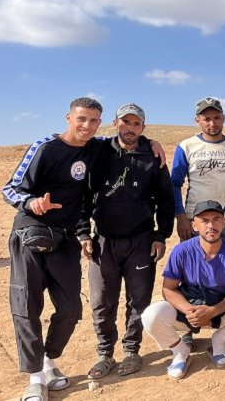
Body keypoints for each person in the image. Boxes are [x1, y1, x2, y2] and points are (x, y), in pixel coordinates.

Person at [3, 97, 105, 401]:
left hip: (65, 237)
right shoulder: (46, 147)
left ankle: (48, 360)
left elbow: (122, 140)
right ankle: (35, 378)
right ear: (69, 118)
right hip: (31, 233)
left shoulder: (95, 147)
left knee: (71, 308)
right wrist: (32, 203)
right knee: (27, 306)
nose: (87, 126)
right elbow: (11, 188)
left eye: (94, 120)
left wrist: (152, 141)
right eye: (82, 119)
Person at [77, 103, 175, 379]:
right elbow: (83, 196)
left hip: (141, 241)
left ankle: (132, 350)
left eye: (136, 124)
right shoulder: (98, 152)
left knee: (139, 299)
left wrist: (161, 235)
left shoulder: (152, 156)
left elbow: (165, 199)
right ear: (114, 123)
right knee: (101, 300)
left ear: (143, 128)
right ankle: (105, 353)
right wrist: (84, 232)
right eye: (125, 122)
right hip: (104, 241)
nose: (130, 128)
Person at [141, 201, 225, 378]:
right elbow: (169, 289)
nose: (211, 225)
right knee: (150, 316)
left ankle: (219, 342)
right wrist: (192, 312)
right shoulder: (181, 251)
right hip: (189, 308)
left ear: (224, 223)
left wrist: (212, 312)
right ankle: (180, 351)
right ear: (194, 225)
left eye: (216, 219)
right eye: (204, 220)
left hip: (220, 308)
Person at [171, 97, 225, 244]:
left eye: (217, 118)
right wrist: (180, 216)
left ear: (224, 118)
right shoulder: (186, 146)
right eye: (206, 119)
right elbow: (174, 184)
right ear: (197, 120)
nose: (212, 123)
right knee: (193, 266)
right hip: (194, 221)